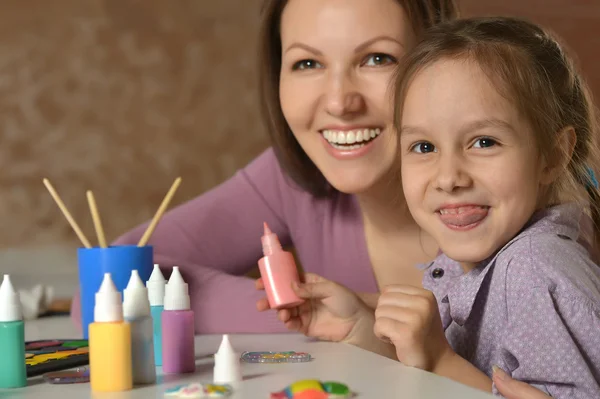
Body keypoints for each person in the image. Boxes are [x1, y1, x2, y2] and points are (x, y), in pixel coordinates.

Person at [70, 0, 458, 333]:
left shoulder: (504, 187)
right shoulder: (292, 181)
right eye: (307, 63)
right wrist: (329, 310)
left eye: (377, 59)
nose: (340, 102)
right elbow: (106, 284)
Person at [274, 16, 600, 398]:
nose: (449, 177)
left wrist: (438, 359)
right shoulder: (484, 263)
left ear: (554, 155)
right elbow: (451, 375)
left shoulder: (533, 271)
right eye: (424, 147)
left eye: (483, 142)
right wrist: (364, 329)